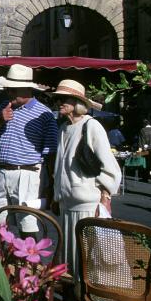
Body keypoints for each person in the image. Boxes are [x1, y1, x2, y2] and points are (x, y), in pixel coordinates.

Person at [50, 80, 121, 279]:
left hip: (87, 204)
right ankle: (73, 293)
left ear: (77, 103)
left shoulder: (92, 126)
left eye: (64, 99)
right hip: (67, 203)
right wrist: (56, 195)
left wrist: (106, 196)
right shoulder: (63, 128)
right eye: (58, 99)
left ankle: (86, 293)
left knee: (88, 257)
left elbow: (109, 166)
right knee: (70, 257)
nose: (59, 103)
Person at [0, 64, 58, 231]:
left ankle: (27, 250)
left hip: (28, 174)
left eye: (13, 89)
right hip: (2, 171)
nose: (9, 93)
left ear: (28, 89)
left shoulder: (44, 114)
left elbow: (51, 152)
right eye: (8, 89)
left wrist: (51, 185)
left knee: (27, 225)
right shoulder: (4, 106)